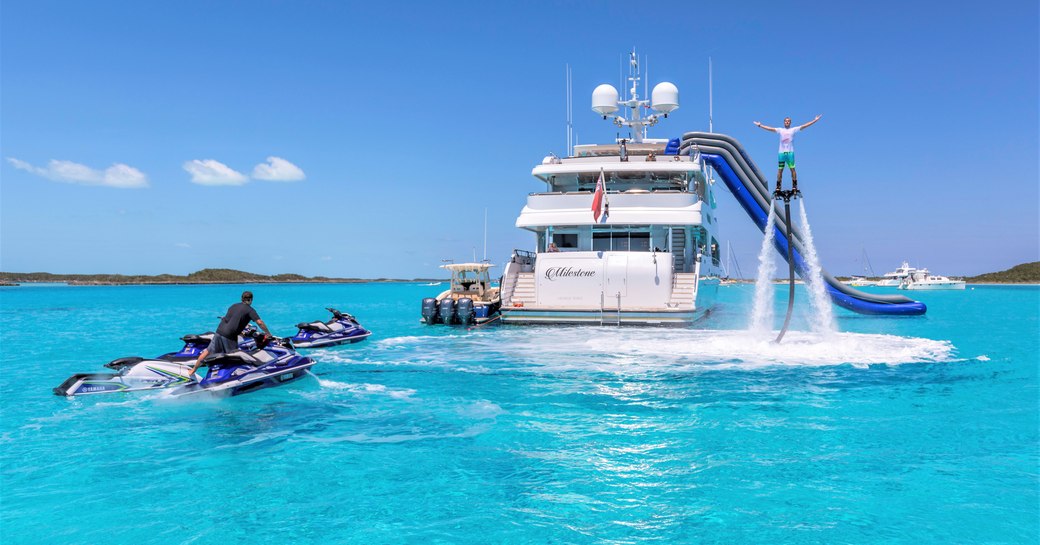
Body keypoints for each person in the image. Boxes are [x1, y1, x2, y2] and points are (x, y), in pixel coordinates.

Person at [186, 291, 272, 379]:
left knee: (208, 352)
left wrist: (241, 332)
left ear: (241, 299)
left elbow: (231, 319)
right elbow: (260, 322)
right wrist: (268, 333)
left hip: (219, 331)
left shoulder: (233, 306)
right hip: (230, 336)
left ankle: (193, 370)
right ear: (251, 300)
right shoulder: (250, 310)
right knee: (234, 357)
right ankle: (227, 378)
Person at [753, 114, 822, 193]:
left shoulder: (793, 129)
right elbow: (770, 129)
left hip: (790, 153)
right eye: (786, 121)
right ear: (784, 122)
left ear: (790, 123)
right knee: (780, 170)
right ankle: (778, 186)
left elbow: (804, 126)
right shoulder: (780, 130)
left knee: (792, 169)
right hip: (781, 153)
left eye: (788, 121)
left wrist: (815, 120)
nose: (787, 122)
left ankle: (794, 186)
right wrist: (760, 125)